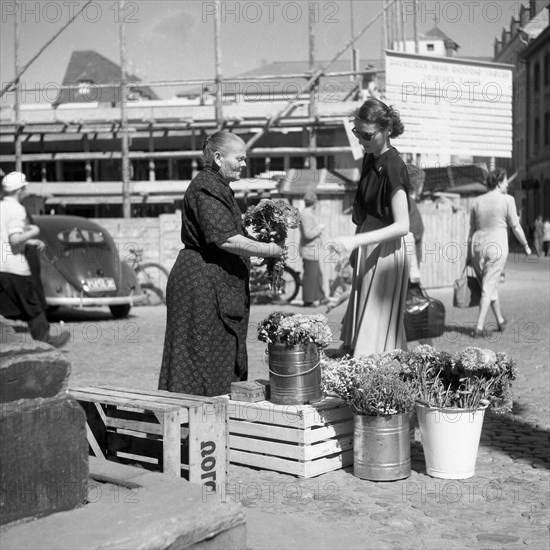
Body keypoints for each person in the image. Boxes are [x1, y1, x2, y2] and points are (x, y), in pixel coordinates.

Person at [158, 131, 284, 397]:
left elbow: (230, 233)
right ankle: (191, 429)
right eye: (239, 158)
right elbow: (225, 239)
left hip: (212, 283)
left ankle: (214, 427)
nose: (244, 164)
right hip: (201, 287)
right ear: (217, 158)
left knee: (217, 357)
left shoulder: (218, 186)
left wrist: (261, 240)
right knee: (199, 360)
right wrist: (269, 249)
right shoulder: (206, 186)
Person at [331, 98, 411, 357]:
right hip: (367, 245)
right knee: (363, 325)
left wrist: (356, 242)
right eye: (357, 132)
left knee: (376, 330)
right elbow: (364, 213)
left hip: (385, 252)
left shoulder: (393, 166)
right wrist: (356, 247)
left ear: (386, 130)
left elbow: (402, 225)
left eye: (366, 134)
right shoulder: (370, 158)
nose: (360, 140)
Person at [0, 171, 70, 348]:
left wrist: (29, 241)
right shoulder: (17, 209)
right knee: (33, 306)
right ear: (19, 190)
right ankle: (44, 339)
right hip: (15, 267)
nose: (26, 192)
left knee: (5, 307)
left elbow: (4, 236)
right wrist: (33, 232)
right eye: (24, 188)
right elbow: (14, 239)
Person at [467, 168, 531, 337]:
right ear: (499, 182)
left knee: (489, 284)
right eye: (505, 182)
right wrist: (525, 245)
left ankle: (500, 320)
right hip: (497, 246)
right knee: (488, 287)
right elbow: (515, 226)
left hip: (477, 246)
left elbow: (471, 229)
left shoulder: (476, 201)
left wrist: (468, 253)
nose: (507, 185)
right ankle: (479, 327)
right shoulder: (508, 200)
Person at [299, 191, 327, 307]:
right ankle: (308, 300)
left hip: (312, 249)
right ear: (314, 201)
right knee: (310, 276)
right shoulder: (306, 214)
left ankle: (321, 297)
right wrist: (319, 228)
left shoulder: (308, 213)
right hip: (309, 250)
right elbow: (308, 234)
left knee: (317, 275)